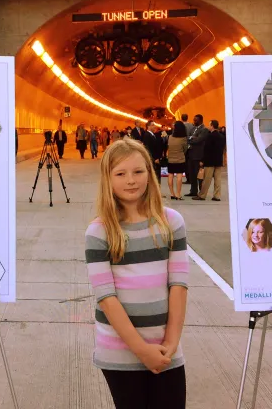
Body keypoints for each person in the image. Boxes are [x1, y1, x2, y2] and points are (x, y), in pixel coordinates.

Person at [85, 139, 188, 409]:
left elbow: (178, 283)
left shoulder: (171, 223)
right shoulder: (99, 232)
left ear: (150, 173)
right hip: (120, 351)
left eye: (138, 172)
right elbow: (106, 297)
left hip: (166, 348)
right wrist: (141, 350)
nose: (131, 180)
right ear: (107, 179)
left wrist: (172, 341)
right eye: (120, 174)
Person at [196, 120, 226, 202]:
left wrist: (202, 160)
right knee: (218, 179)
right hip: (218, 160)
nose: (208, 126)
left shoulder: (209, 136)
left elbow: (207, 150)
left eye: (209, 125)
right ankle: (217, 196)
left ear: (212, 126)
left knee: (207, 179)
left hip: (209, 161)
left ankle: (202, 195)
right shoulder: (222, 136)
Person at [185, 114, 209, 197]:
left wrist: (191, 139)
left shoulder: (204, 129)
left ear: (201, 120)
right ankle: (193, 191)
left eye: (196, 120)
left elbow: (199, 140)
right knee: (192, 174)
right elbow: (187, 137)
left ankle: (201, 193)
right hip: (190, 154)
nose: (194, 121)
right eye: (194, 120)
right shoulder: (193, 128)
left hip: (198, 155)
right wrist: (191, 138)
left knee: (199, 175)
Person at [166, 121, 188, 200]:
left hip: (171, 159)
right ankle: (178, 194)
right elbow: (185, 149)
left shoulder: (170, 137)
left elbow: (168, 147)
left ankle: (172, 194)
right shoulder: (183, 138)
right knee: (179, 176)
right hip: (180, 159)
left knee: (170, 176)